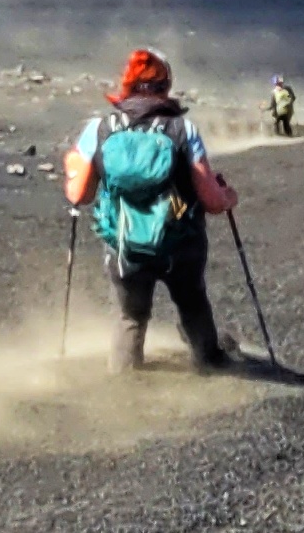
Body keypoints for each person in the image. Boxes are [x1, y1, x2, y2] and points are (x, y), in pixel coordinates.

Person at [64, 47, 236, 374]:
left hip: (124, 244)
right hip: (180, 242)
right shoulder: (182, 131)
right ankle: (210, 366)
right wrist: (229, 197)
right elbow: (212, 201)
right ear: (166, 85)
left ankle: (125, 382)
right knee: (191, 302)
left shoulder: (99, 130)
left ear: (125, 84)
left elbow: (81, 195)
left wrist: (71, 167)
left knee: (130, 316)